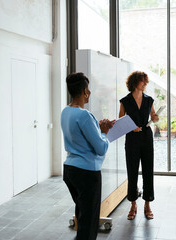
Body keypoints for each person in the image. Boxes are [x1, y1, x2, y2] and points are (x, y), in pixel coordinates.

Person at [61, 72, 114, 240]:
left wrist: (97, 128)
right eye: (88, 89)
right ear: (84, 91)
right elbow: (100, 148)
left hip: (70, 171)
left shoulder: (66, 111)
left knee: (82, 217)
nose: (90, 92)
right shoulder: (84, 115)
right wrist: (104, 133)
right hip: (87, 173)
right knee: (89, 224)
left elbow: (78, 135)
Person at [119, 71, 159, 220]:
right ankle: (133, 204)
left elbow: (153, 117)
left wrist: (155, 118)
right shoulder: (125, 101)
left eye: (146, 81)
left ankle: (147, 204)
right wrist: (131, 127)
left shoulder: (149, 100)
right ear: (135, 82)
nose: (145, 84)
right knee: (132, 171)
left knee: (148, 170)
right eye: (143, 81)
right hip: (132, 139)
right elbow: (120, 122)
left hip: (146, 137)